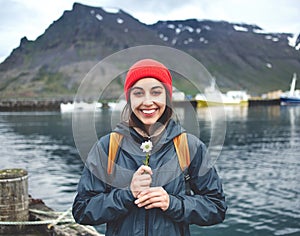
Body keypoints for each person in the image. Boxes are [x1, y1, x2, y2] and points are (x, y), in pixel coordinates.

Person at [72, 59, 227, 236]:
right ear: (129, 98)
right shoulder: (108, 147)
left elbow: (216, 207)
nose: (147, 102)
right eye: (138, 93)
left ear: (167, 97)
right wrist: (128, 194)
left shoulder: (189, 147)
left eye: (156, 92)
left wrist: (172, 203)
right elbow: (82, 210)